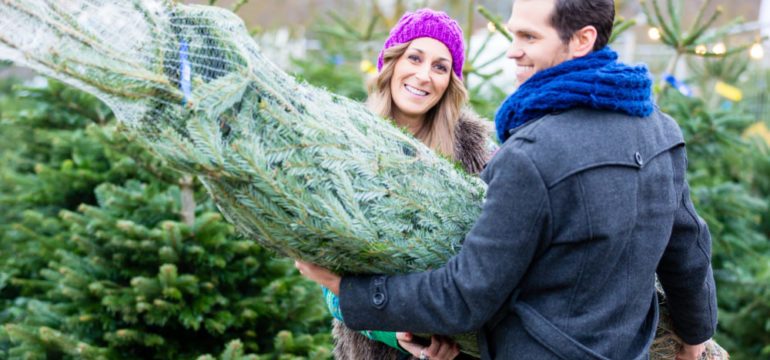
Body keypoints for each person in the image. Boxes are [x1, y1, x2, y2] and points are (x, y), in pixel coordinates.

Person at [297, 0, 722, 359]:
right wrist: (694, 337)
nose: (512, 51)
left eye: (529, 38)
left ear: (582, 39)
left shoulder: (530, 156)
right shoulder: (661, 131)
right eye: (513, 35)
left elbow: (465, 296)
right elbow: (687, 250)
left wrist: (349, 292)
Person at [319, 8, 496, 360]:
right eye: (414, 57)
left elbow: (493, 263)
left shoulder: (479, 157)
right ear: (393, 62)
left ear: (451, 80)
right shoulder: (350, 145)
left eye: (440, 66)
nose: (423, 75)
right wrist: (393, 332)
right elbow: (328, 284)